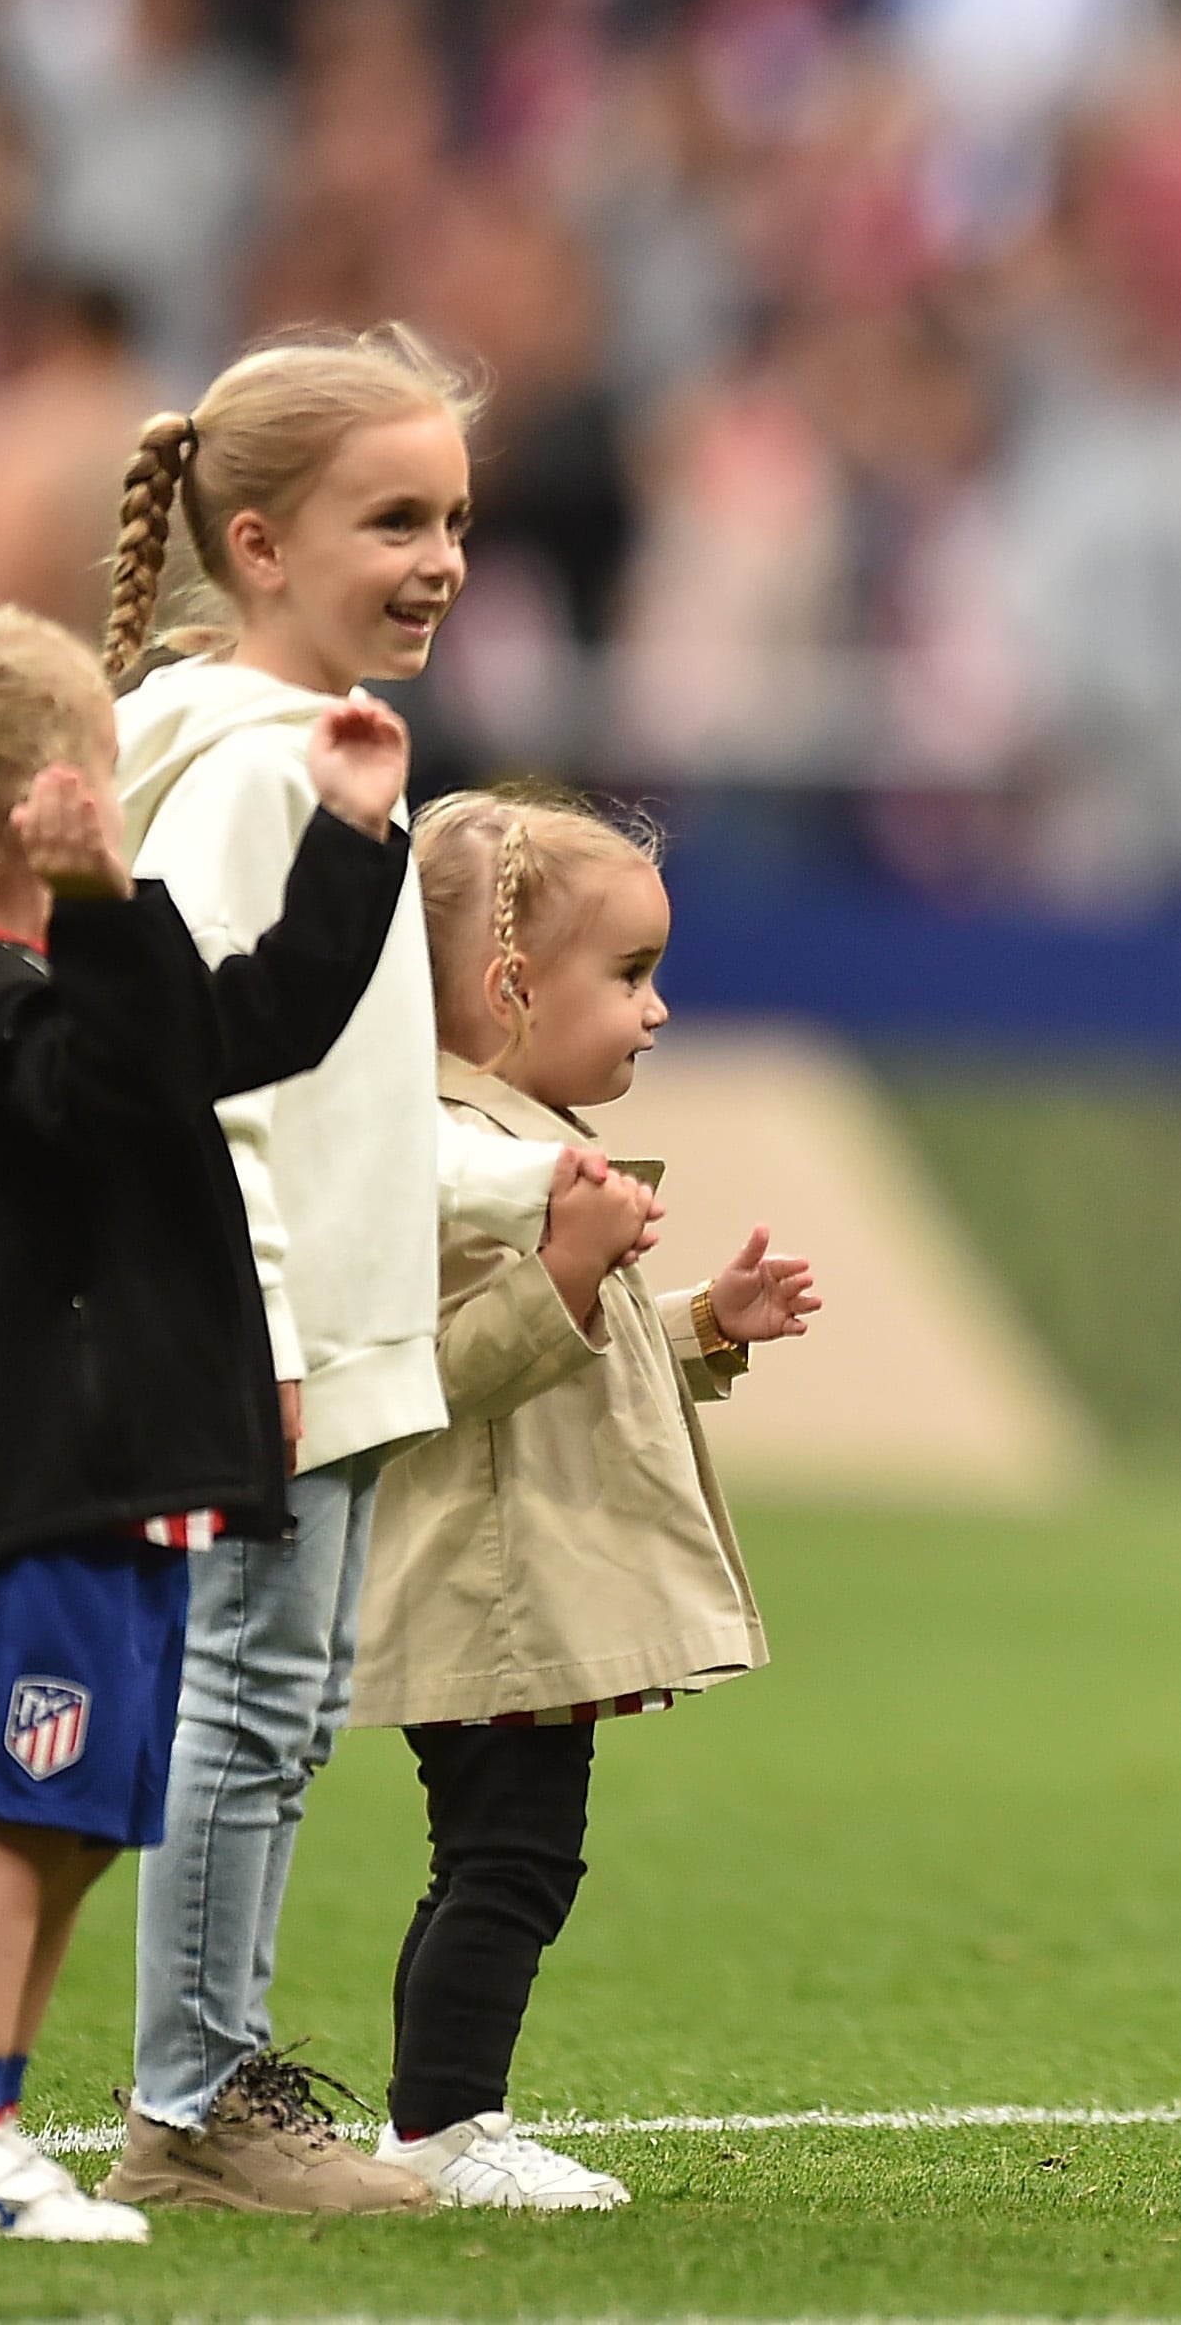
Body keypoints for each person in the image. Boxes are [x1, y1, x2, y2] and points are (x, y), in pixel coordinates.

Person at [0, 598, 413, 2243]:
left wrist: (348, 836)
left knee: (83, 1817)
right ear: (35, 799)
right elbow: (110, 1087)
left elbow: (241, 1031)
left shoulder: (48, 975)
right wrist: (108, 911)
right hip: (53, 1464)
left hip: (131, 1468)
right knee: (20, 1809)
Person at [97, 328, 482, 2216]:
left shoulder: (324, 757)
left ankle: (214, 2070)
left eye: (455, 520)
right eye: (391, 517)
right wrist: (257, 1331)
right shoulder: (253, 775)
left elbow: (343, 1080)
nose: (438, 558)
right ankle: (188, 2105)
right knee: (247, 1702)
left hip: (331, 1323)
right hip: (270, 1336)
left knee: (280, 1697)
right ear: (255, 542)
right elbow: (197, 1077)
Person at [351, 784, 825, 2209]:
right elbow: (425, 1380)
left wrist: (706, 1324)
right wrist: (565, 1271)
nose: (658, 1009)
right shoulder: (456, 1162)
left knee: (506, 1853)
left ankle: (444, 2119)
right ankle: (441, 2127)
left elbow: (587, 1371)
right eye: (628, 975)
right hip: (487, 1590)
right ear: (507, 988)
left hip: (517, 1585)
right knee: (505, 1856)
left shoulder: (517, 1140)